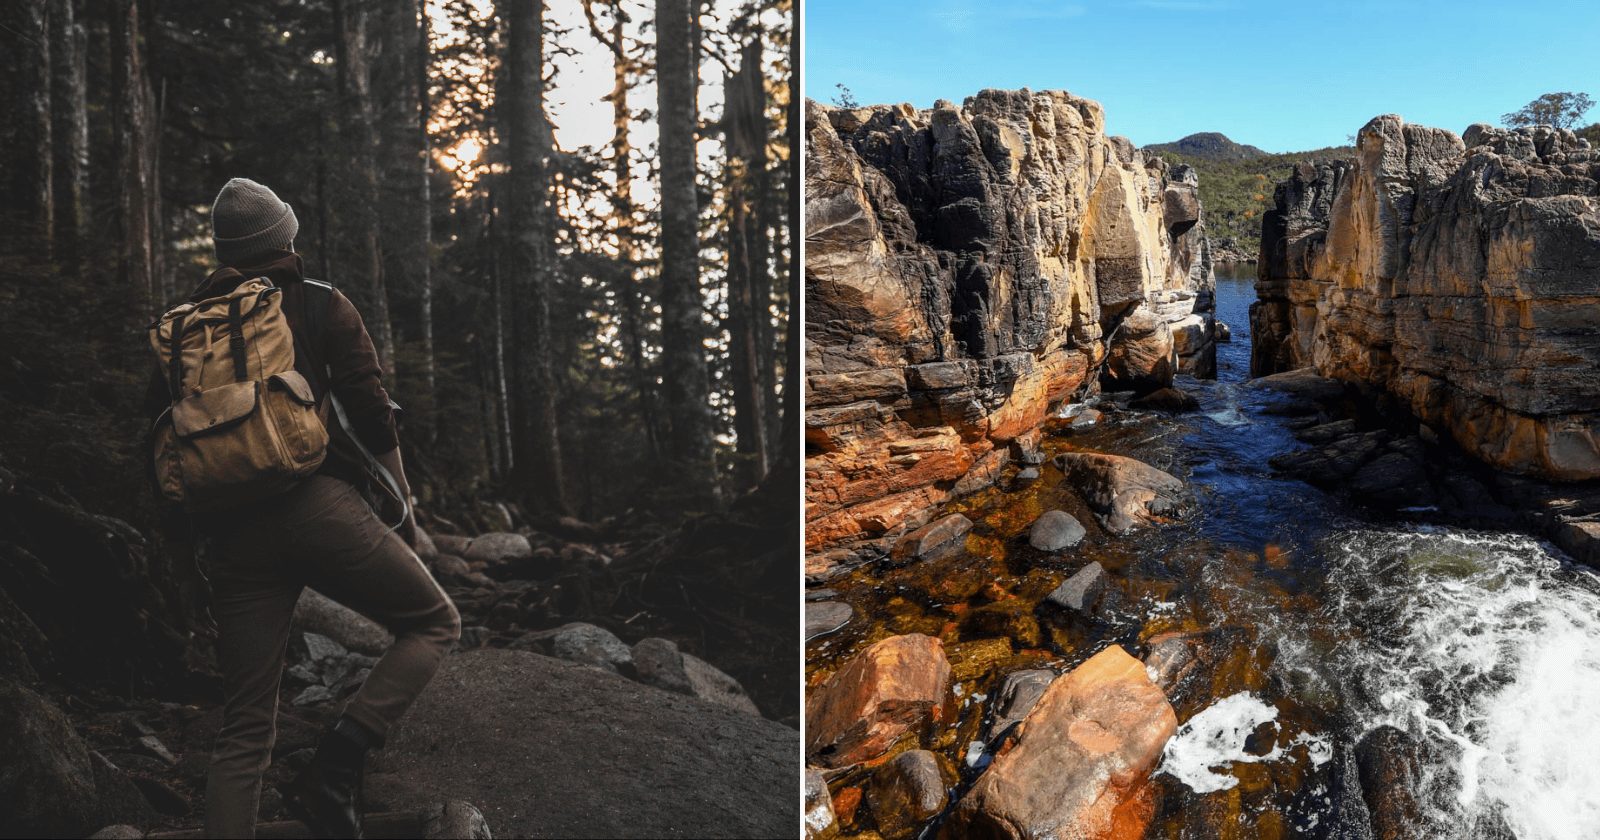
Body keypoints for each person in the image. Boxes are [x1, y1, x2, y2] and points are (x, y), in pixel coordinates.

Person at [146, 178, 460, 839]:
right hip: (317, 507)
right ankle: (339, 759)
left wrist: (182, 561)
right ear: (284, 239)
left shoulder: (183, 333)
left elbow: (163, 449)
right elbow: (373, 415)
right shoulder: (319, 304)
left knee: (244, 730)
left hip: (231, 537)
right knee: (434, 623)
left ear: (225, 250)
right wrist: (406, 509)